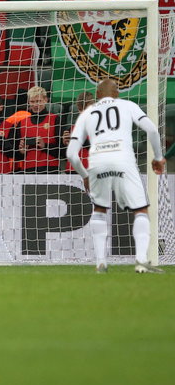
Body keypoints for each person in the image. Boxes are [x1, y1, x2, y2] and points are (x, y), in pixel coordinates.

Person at [67, 79, 165, 274]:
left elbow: (71, 154)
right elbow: (152, 130)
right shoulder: (128, 105)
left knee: (100, 209)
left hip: (97, 161)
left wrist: (85, 175)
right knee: (140, 210)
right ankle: (141, 260)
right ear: (117, 93)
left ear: (97, 95)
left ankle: (100, 263)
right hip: (123, 158)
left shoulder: (87, 113)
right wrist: (158, 157)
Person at [11, 85, 62, 173]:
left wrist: (45, 146)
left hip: (50, 169)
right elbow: (15, 154)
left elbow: (63, 151)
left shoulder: (55, 119)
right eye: (32, 101)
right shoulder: (22, 123)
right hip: (28, 170)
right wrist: (21, 152)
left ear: (46, 100)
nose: (35, 105)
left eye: (38, 101)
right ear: (28, 102)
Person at [62, 91, 94, 173]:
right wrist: (65, 143)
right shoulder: (72, 128)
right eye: (80, 109)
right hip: (72, 169)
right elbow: (64, 154)